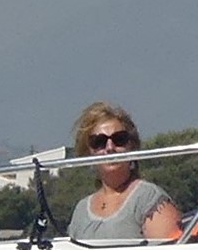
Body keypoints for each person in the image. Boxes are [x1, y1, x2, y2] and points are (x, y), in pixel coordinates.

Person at [67, 101, 183, 241]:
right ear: (88, 151)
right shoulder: (81, 210)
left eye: (119, 139)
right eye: (99, 142)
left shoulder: (148, 199)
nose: (110, 147)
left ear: (131, 146)